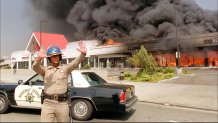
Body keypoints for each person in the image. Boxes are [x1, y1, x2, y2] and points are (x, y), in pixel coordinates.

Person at [32, 41, 87, 122]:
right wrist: (39, 58)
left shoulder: (65, 69)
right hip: (48, 104)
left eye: (57, 56)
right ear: (49, 58)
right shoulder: (45, 70)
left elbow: (75, 63)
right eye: (53, 56)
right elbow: (35, 67)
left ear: (60, 56)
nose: (56, 57)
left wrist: (83, 54)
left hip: (62, 104)